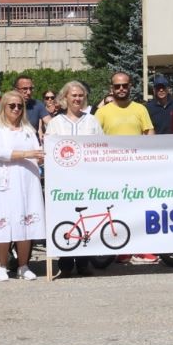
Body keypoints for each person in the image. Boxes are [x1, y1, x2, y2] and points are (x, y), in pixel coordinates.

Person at [95, 72, 157, 263]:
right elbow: (94, 140)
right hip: (112, 172)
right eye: (117, 86)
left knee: (140, 209)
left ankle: (142, 249)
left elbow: (150, 134)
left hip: (138, 171)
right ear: (111, 88)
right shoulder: (102, 112)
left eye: (124, 85)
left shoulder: (140, 109)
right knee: (118, 211)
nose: (121, 89)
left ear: (130, 86)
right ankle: (123, 250)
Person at [0, 90, 45, 281]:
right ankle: (2, 265)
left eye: (20, 106)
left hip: (27, 180)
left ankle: (23, 265)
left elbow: (38, 152)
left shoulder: (28, 129)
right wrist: (28, 154)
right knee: (3, 222)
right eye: (12, 105)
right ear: (4, 106)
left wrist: (43, 157)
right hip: (6, 180)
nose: (16, 109)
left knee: (26, 223)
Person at [47, 80, 102, 275]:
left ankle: (84, 262)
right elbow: (50, 152)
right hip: (64, 182)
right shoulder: (55, 124)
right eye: (74, 95)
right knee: (66, 220)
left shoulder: (92, 121)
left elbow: (101, 148)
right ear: (65, 98)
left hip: (87, 180)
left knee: (85, 220)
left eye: (81, 95)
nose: (77, 98)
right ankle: (66, 261)